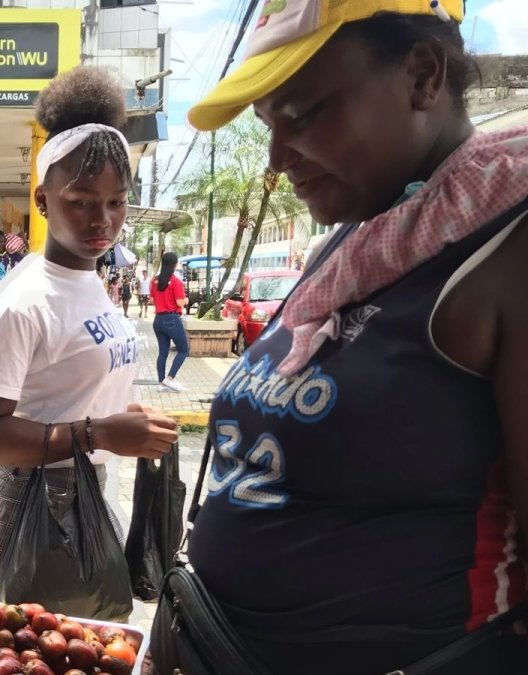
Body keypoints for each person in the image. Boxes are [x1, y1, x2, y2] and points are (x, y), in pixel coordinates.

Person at [157, 1, 528, 673]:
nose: (273, 158)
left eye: (300, 114)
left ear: (422, 74)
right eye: (267, 124)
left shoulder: (506, 252)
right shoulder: (355, 246)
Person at [0, 65, 178, 616]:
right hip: (36, 516)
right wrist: (101, 431)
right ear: (43, 202)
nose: (103, 219)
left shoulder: (90, 279)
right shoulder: (22, 301)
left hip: (86, 496)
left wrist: (119, 420)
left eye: (116, 201)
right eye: (82, 200)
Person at [150, 252, 189, 392]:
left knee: (163, 353)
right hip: (171, 319)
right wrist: (186, 300)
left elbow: (152, 300)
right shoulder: (176, 281)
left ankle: (161, 384)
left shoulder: (154, 280)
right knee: (184, 350)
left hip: (158, 320)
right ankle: (170, 378)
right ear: (175, 264)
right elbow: (180, 302)